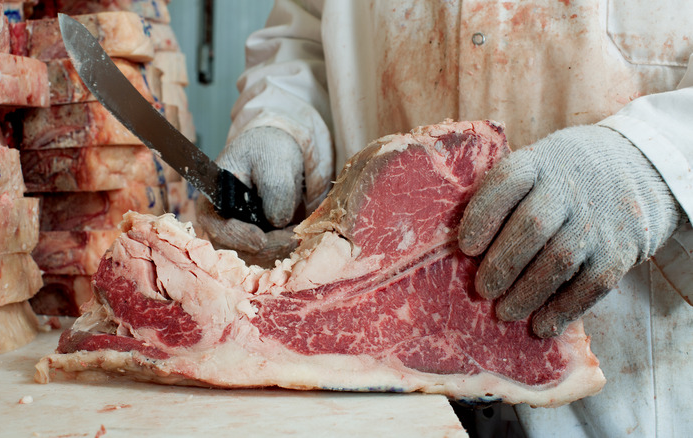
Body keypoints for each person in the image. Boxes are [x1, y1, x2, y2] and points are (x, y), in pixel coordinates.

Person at [196, 1, 693, 436]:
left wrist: (656, 161)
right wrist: (283, 123)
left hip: (626, 382)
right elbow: (305, 37)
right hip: (370, 358)